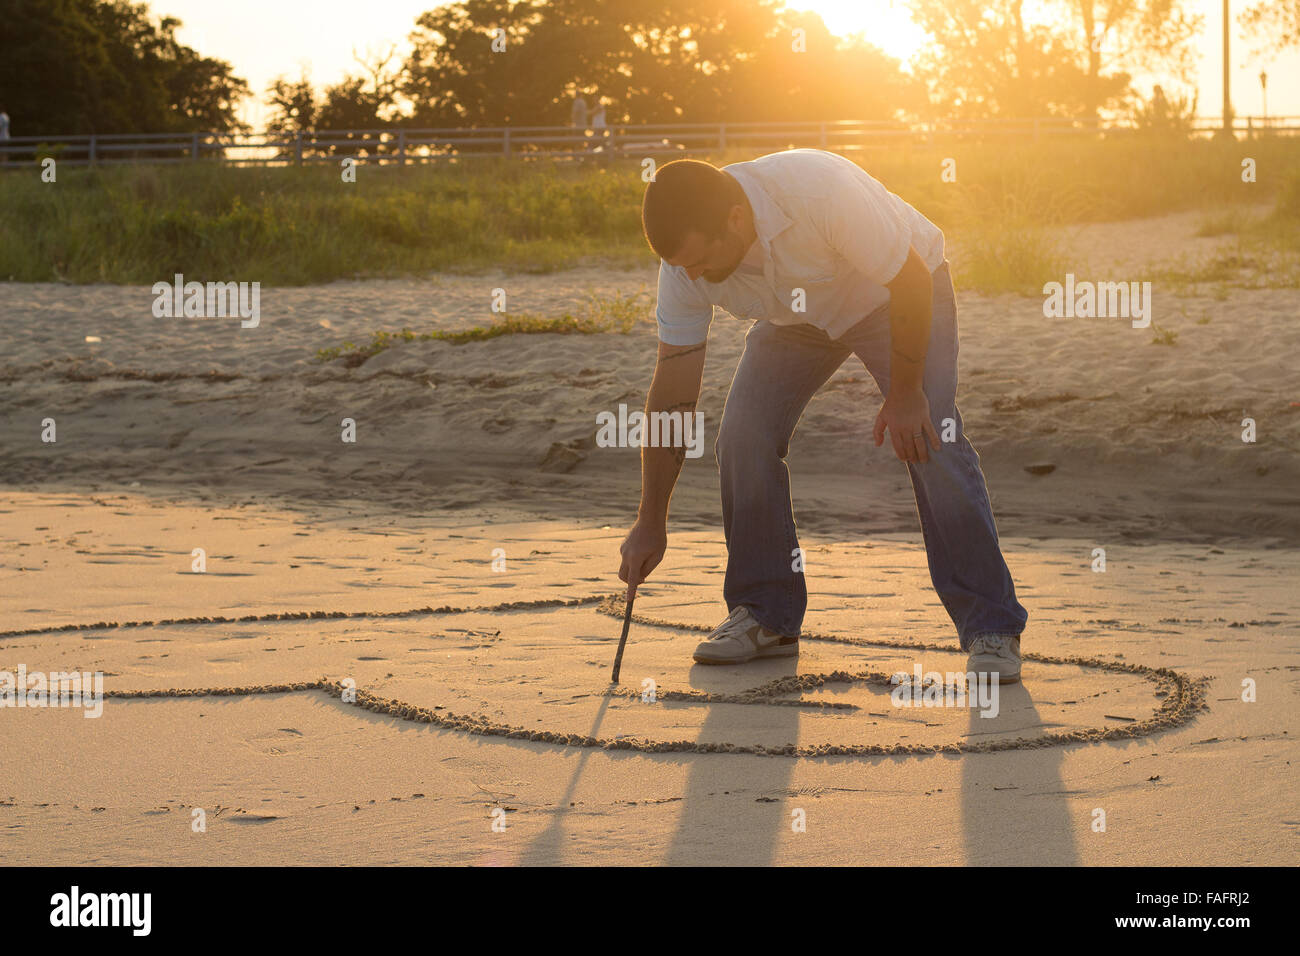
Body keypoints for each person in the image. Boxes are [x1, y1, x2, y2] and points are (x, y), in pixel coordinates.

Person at [619, 150, 1028, 682]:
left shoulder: (821, 192)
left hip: (896, 293)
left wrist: (906, 396)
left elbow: (908, 280)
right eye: (683, 267)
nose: (693, 275)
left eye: (701, 261)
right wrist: (650, 520)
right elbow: (673, 393)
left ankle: (991, 627)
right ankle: (767, 614)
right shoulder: (682, 268)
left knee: (929, 434)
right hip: (799, 317)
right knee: (742, 435)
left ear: (735, 219)